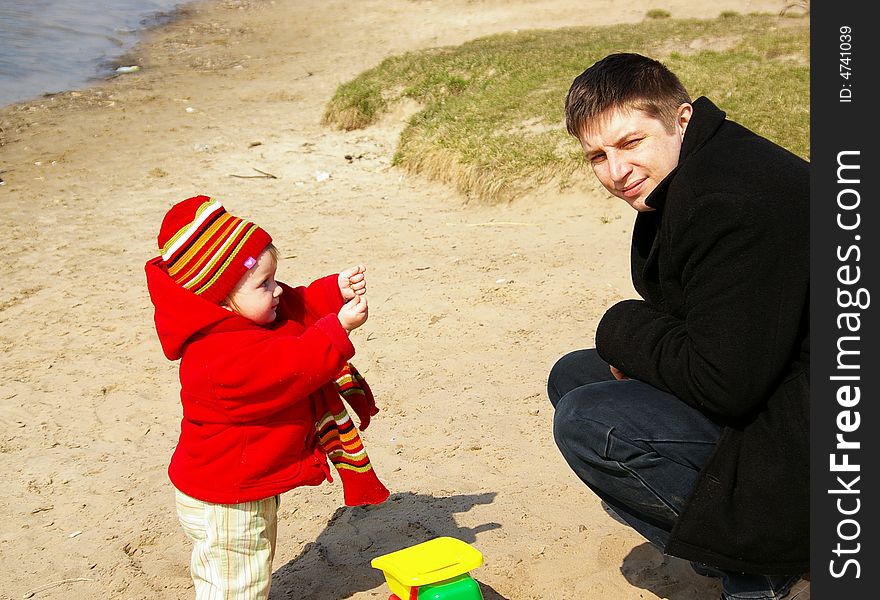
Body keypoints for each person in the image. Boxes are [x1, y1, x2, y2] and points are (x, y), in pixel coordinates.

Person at [548, 53, 809, 599]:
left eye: (630, 143)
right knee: (575, 376)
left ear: (681, 119)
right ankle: (747, 551)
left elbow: (725, 384)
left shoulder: (729, 198)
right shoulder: (696, 170)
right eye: (597, 155)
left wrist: (620, 326)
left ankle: (763, 562)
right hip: (780, 384)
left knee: (592, 420)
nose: (616, 173)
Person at [145, 195, 390, 599]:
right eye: (264, 284)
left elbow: (295, 307)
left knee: (249, 566)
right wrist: (338, 328)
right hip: (226, 498)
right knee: (236, 584)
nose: (277, 290)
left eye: (274, 278)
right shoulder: (216, 357)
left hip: (246, 487)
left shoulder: (249, 318)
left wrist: (333, 293)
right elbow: (291, 367)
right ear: (220, 299)